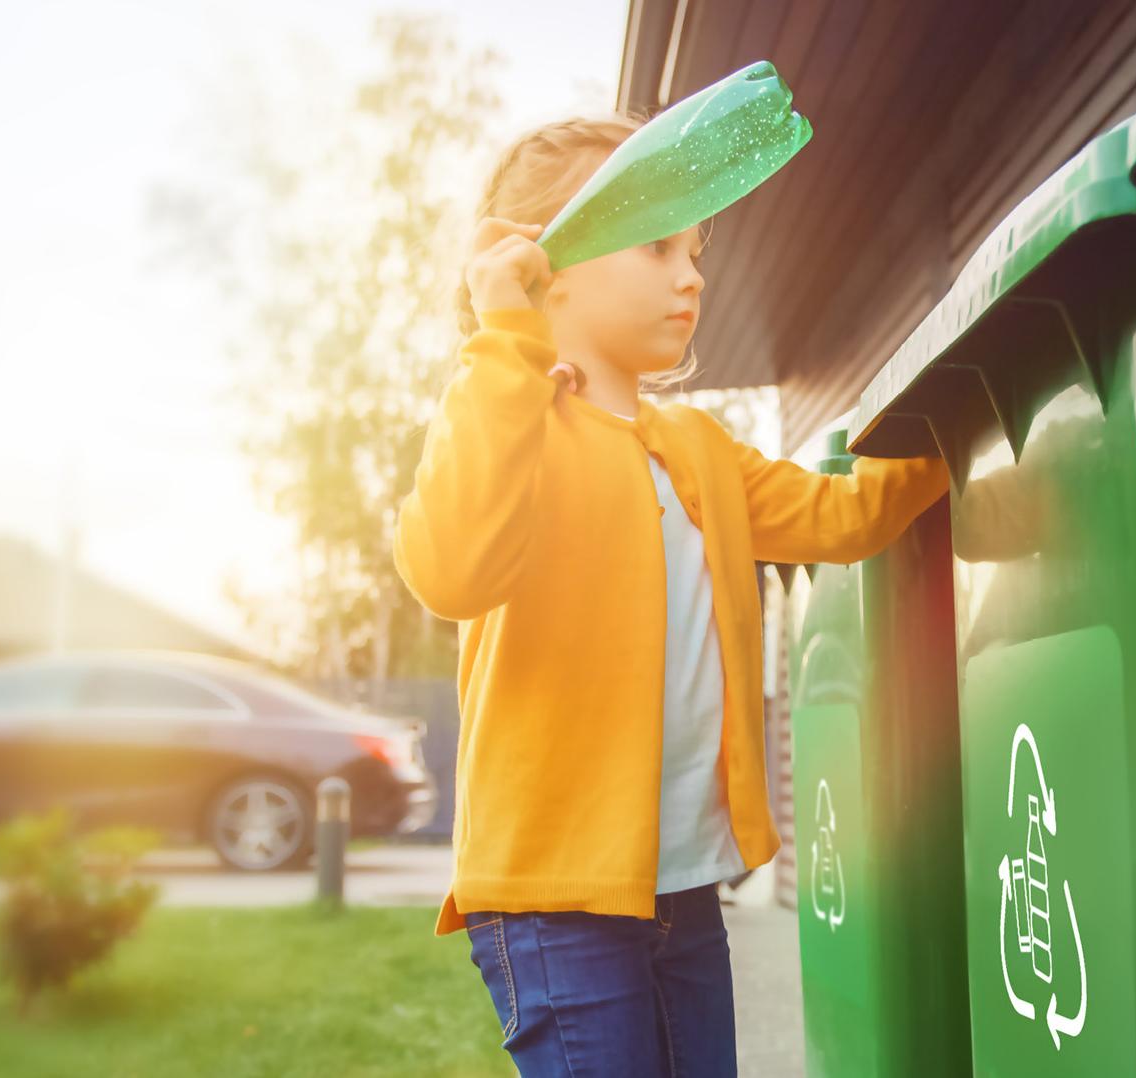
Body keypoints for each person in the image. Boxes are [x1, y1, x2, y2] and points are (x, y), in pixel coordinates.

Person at [393, 110, 949, 1077]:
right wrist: (505, 341)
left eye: (694, 249)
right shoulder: (508, 423)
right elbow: (449, 569)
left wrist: (961, 426)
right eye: (657, 245)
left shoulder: (696, 449)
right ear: (544, 266)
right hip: (554, 899)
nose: (691, 275)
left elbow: (840, 516)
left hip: (682, 891)